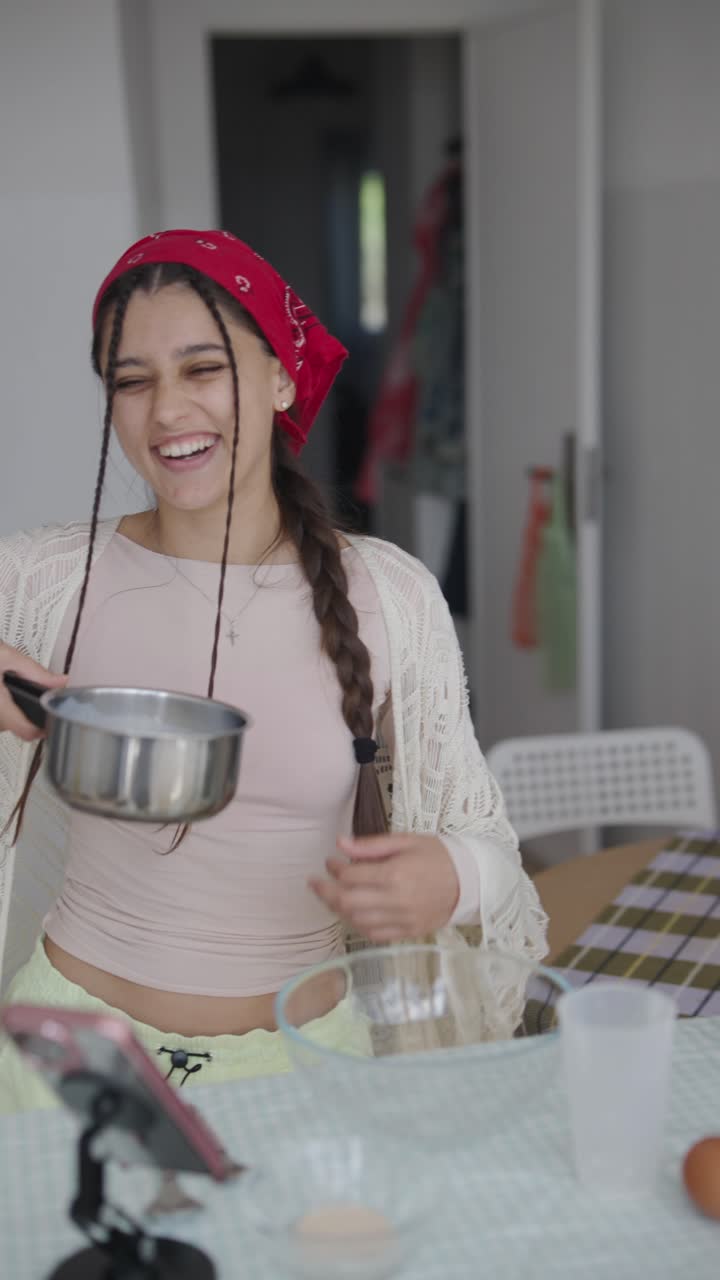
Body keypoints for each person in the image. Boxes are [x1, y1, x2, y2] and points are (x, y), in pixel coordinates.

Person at [0, 230, 547, 1112]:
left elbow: (493, 853)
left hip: (306, 1067)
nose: (166, 410)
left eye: (202, 368)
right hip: (61, 1058)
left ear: (281, 377)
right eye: (131, 380)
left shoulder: (390, 597)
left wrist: (448, 876)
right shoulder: (41, 580)